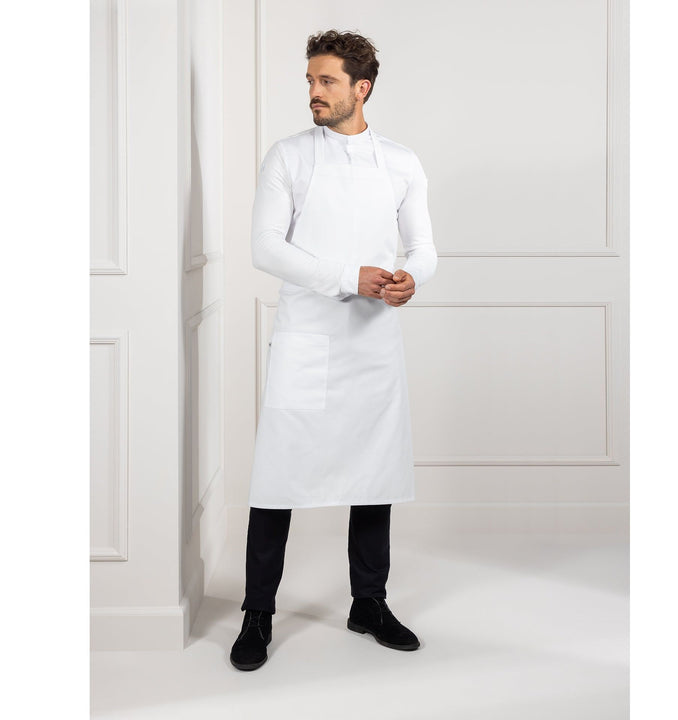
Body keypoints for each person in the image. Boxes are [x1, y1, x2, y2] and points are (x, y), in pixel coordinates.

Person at [230, 29, 437, 671]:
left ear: (361, 88)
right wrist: (350, 276)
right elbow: (265, 247)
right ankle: (257, 613)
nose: (314, 93)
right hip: (307, 338)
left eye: (327, 81)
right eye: (310, 81)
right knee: (278, 476)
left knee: (375, 473)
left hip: (372, 341)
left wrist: (410, 279)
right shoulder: (289, 156)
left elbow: (423, 248)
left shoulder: (401, 162)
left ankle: (368, 603)